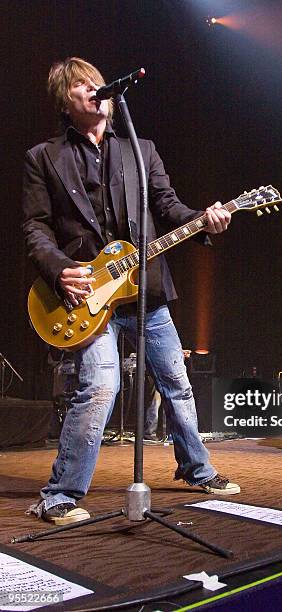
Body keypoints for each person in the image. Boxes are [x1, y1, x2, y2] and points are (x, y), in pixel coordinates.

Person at [23, 57, 240, 525]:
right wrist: (60, 270)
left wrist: (203, 221)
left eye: (100, 84)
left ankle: (197, 467)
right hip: (87, 296)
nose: (97, 92)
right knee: (101, 386)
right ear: (66, 100)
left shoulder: (140, 149)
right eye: (85, 86)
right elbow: (35, 228)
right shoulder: (44, 157)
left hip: (146, 291)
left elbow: (166, 205)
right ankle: (59, 494)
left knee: (177, 384)